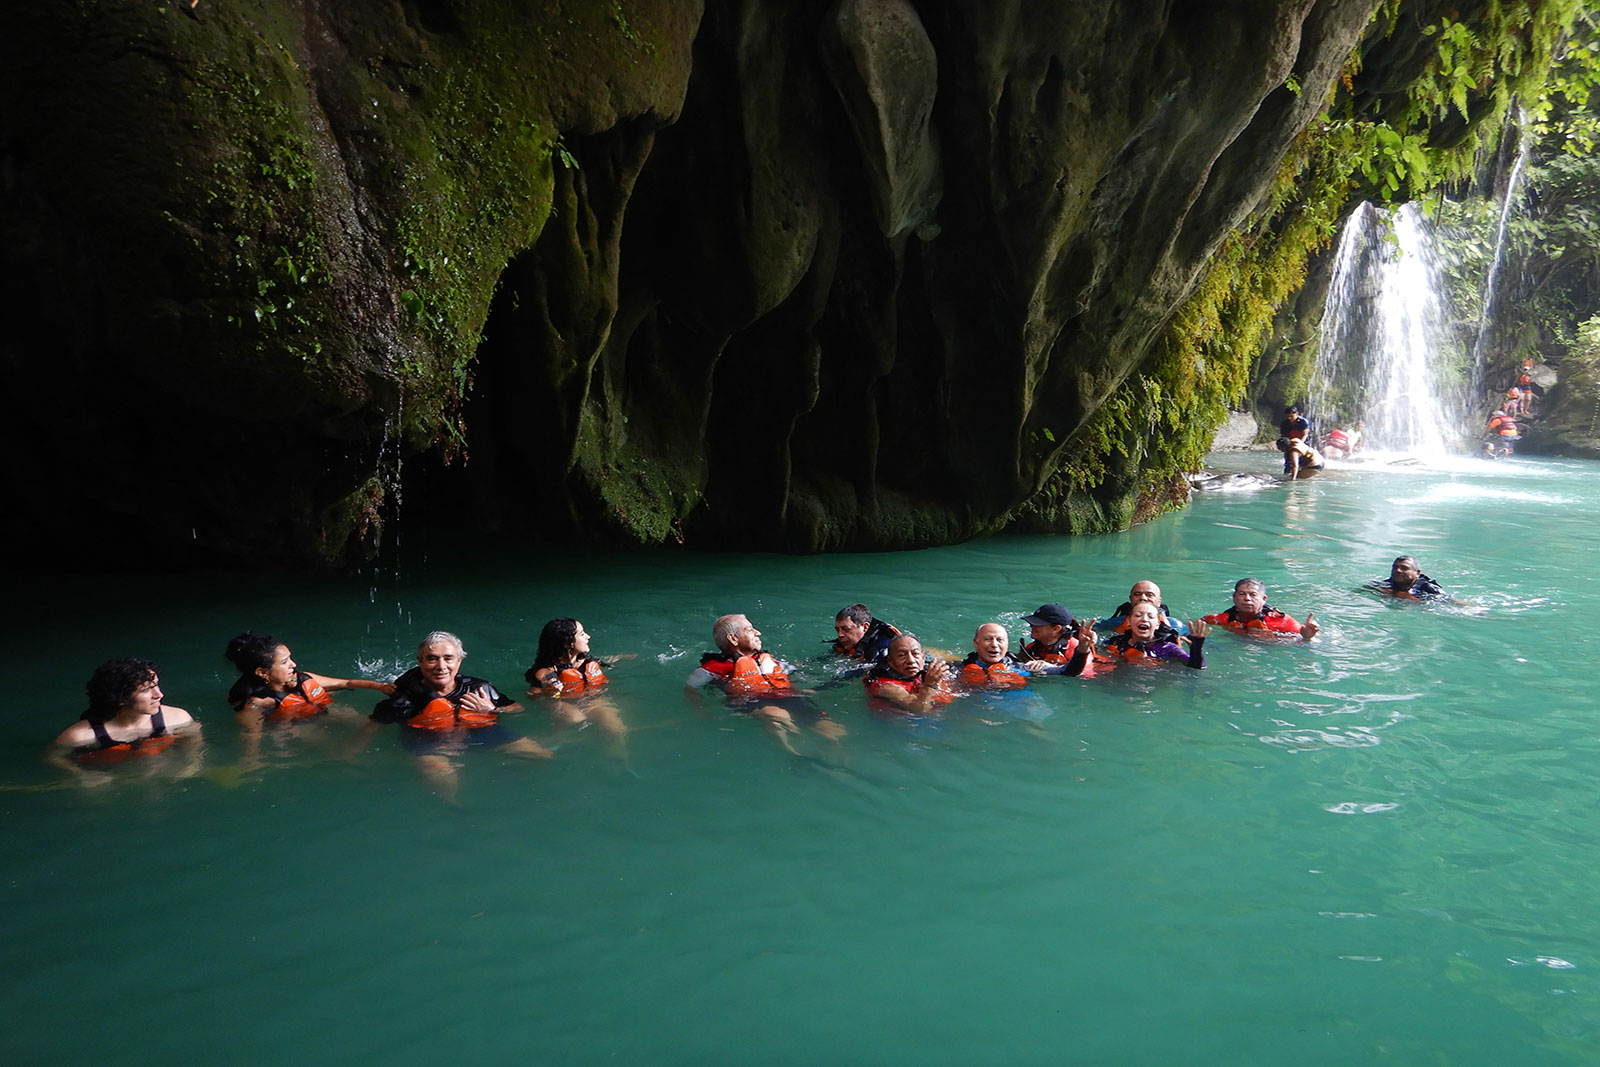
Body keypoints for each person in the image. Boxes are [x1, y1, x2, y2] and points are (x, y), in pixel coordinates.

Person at [370, 631, 552, 801]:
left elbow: (518, 709)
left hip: (479, 732)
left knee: (541, 755)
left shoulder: (479, 688)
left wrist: (492, 709)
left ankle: (498, 768)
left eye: (448, 658)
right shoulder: (407, 698)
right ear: (420, 661)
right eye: (432, 659)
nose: (441, 666)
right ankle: (454, 808)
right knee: (443, 779)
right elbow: (372, 725)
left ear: (459, 660)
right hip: (427, 739)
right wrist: (355, 755)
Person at [687, 613, 845, 751]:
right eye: (749, 630)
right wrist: (699, 711)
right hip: (753, 703)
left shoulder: (769, 661)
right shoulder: (713, 668)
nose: (758, 633)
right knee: (776, 715)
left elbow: (793, 673)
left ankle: (837, 758)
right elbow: (691, 688)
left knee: (833, 731)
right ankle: (794, 752)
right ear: (733, 639)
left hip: (788, 698)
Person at [50, 658, 201, 775]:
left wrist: (192, 763)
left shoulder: (177, 718)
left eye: (156, 685)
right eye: (146, 690)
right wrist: (84, 775)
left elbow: (193, 740)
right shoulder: (80, 736)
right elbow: (53, 757)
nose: (159, 695)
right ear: (120, 698)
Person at [224, 631, 394, 722]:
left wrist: (379, 686)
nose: (294, 664)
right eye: (284, 662)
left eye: (290, 658)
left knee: (365, 721)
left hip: (320, 710)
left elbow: (346, 683)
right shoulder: (256, 704)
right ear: (263, 672)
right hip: (294, 726)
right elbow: (251, 741)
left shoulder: (302, 679)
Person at [524, 618, 626, 741]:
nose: (588, 636)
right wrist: (547, 693)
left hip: (590, 698)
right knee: (575, 719)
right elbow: (532, 695)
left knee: (616, 729)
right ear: (568, 643)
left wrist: (622, 657)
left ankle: (617, 751)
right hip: (561, 701)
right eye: (582, 634)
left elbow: (602, 661)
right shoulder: (547, 671)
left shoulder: (586, 660)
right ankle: (554, 736)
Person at [863, 633, 955, 715]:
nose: (911, 660)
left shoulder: (929, 672)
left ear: (923, 657)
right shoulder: (886, 686)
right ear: (890, 661)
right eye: (901, 655)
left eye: (915, 654)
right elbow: (920, 709)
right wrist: (930, 685)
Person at [1095, 603, 1209, 668]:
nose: (1144, 619)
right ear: (1129, 621)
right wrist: (1089, 644)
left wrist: (1196, 650)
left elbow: (1196, 668)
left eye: (1150, 617)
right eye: (1138, 615)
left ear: (1158, 624)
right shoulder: (1115, 642)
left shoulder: (1168, 648)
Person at [1200, 578, 1319, 640]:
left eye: (1253, 595)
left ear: (1264, 599)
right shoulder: (1220, 619)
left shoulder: (1281, 621)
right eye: (1242, 594)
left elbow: (1309, 644)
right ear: (1234, 598)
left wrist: (1307, 637)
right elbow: (1195, 629)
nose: (1247, 599)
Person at [1018, 604, 1097, 676]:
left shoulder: (1073, 646)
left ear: (1056, 628)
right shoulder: (1032, 647)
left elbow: (1085, 674)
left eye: (1037, 624)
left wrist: (1050, 667)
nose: (1031, 626)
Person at [1095, 580, 1190, 638]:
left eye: (1149, 595)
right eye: (1137, 594)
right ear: (1131, 599)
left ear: (1159, 601)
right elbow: (1094, 630)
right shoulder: (1115, 622)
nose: (1143, 598)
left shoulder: (1175, 625)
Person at [829, 604, 902, 667]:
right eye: (837, 630)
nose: (840, 635)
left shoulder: (882, 648)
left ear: (865, 627)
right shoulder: (847, 640)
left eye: (846, 629)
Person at [1368, 556, 1449, 600]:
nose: (1397, 570)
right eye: (1395, 567)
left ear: (1417, 573)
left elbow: (1449, 602)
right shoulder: (1386, 584)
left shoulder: (1428, 587)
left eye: (1404, 568)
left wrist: (1412, 599)